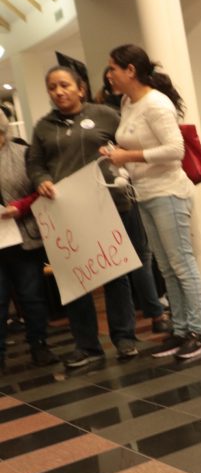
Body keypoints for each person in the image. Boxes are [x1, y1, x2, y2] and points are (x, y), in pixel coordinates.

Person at [100, 45, 201, 360]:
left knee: (181, 263)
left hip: (169, 192)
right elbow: (130, 142)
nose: (109, 74)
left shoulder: (156, 103)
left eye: (113, 68)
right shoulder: (126, 102)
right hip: (145, 192)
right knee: (165, 266)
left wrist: (128, 155)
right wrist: (117, 157)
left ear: (130, 71)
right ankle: (180, 330)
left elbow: (175, 149)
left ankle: (199, 331)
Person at [29, 65, 142, 370]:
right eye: (52, 87)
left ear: (80, 88)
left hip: (109, 205)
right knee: (76, 280)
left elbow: (129, 147)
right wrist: (41, 179)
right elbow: (35, 165)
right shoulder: (42, 128)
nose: (59, 92)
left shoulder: (106, 114)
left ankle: (124, 338)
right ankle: (87, 346)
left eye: (64, 85)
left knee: (116, 274)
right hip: (66, 213)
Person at [0, 114, 58, 373]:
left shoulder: (24, 153)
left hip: (23, 235)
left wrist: (19, 207)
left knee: (31, 295)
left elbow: (41, 189)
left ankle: (39, 345)